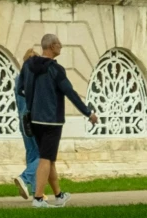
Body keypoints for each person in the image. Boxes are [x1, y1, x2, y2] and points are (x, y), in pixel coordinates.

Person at [15, 35, 96, 204]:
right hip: (52, 121)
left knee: (49, 158)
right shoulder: (55, 69)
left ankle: (59, 196)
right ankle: (38, 198)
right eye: (59, 44)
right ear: (52, 46)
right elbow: (70, 92)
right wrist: (88, 113)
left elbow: (20, 88)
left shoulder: (28, 65)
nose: (61, 47)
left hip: (34, 119)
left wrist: (32, 101)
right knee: (45, 158)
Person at [13, 44, 42, 203]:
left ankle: (36, 192)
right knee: (44, 155)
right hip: (35, 119)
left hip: (23, 120)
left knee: (32, 154)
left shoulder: (19, 78)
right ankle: (25, 178)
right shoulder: (36, 78)